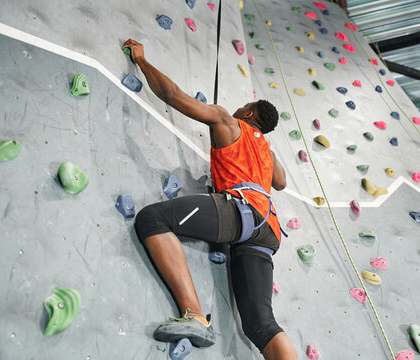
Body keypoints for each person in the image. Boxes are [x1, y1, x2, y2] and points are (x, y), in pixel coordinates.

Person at [124, 39, 297, 360]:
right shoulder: (267, 153)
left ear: (248, 111)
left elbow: (173, 96)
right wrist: (266, 150)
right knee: (261, 324)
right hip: (267, 232)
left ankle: (194, 316)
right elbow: (282, 183)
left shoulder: (229, 121)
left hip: (240, 212)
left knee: (153, 219)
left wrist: (143, 62)